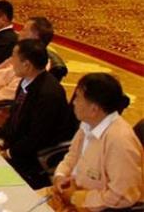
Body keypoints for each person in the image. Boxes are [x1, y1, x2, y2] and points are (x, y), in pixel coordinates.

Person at [0, 39, 78, 189]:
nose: (11, 62)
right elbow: (14, 116)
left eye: (14, 58)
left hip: (34, 157)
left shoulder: (48, 94)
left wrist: (8, 154)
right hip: (16, 145)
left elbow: (37, 138)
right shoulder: (27, 80)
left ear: (26, 65)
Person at [52, 73, 142, 210]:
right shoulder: (88, 123)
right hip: (68, 194)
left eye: (78, 98)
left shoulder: (120, 141)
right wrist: (60, 176)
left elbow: (123, 196)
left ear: (94, 109)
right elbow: (71, 157)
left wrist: (75, 197)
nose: (74, 102)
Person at [0, 17, 65, 129]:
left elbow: (5, 96)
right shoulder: (20, 53)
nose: (19, 33)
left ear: (35, 37)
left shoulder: (32, 67)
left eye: (24, 30)